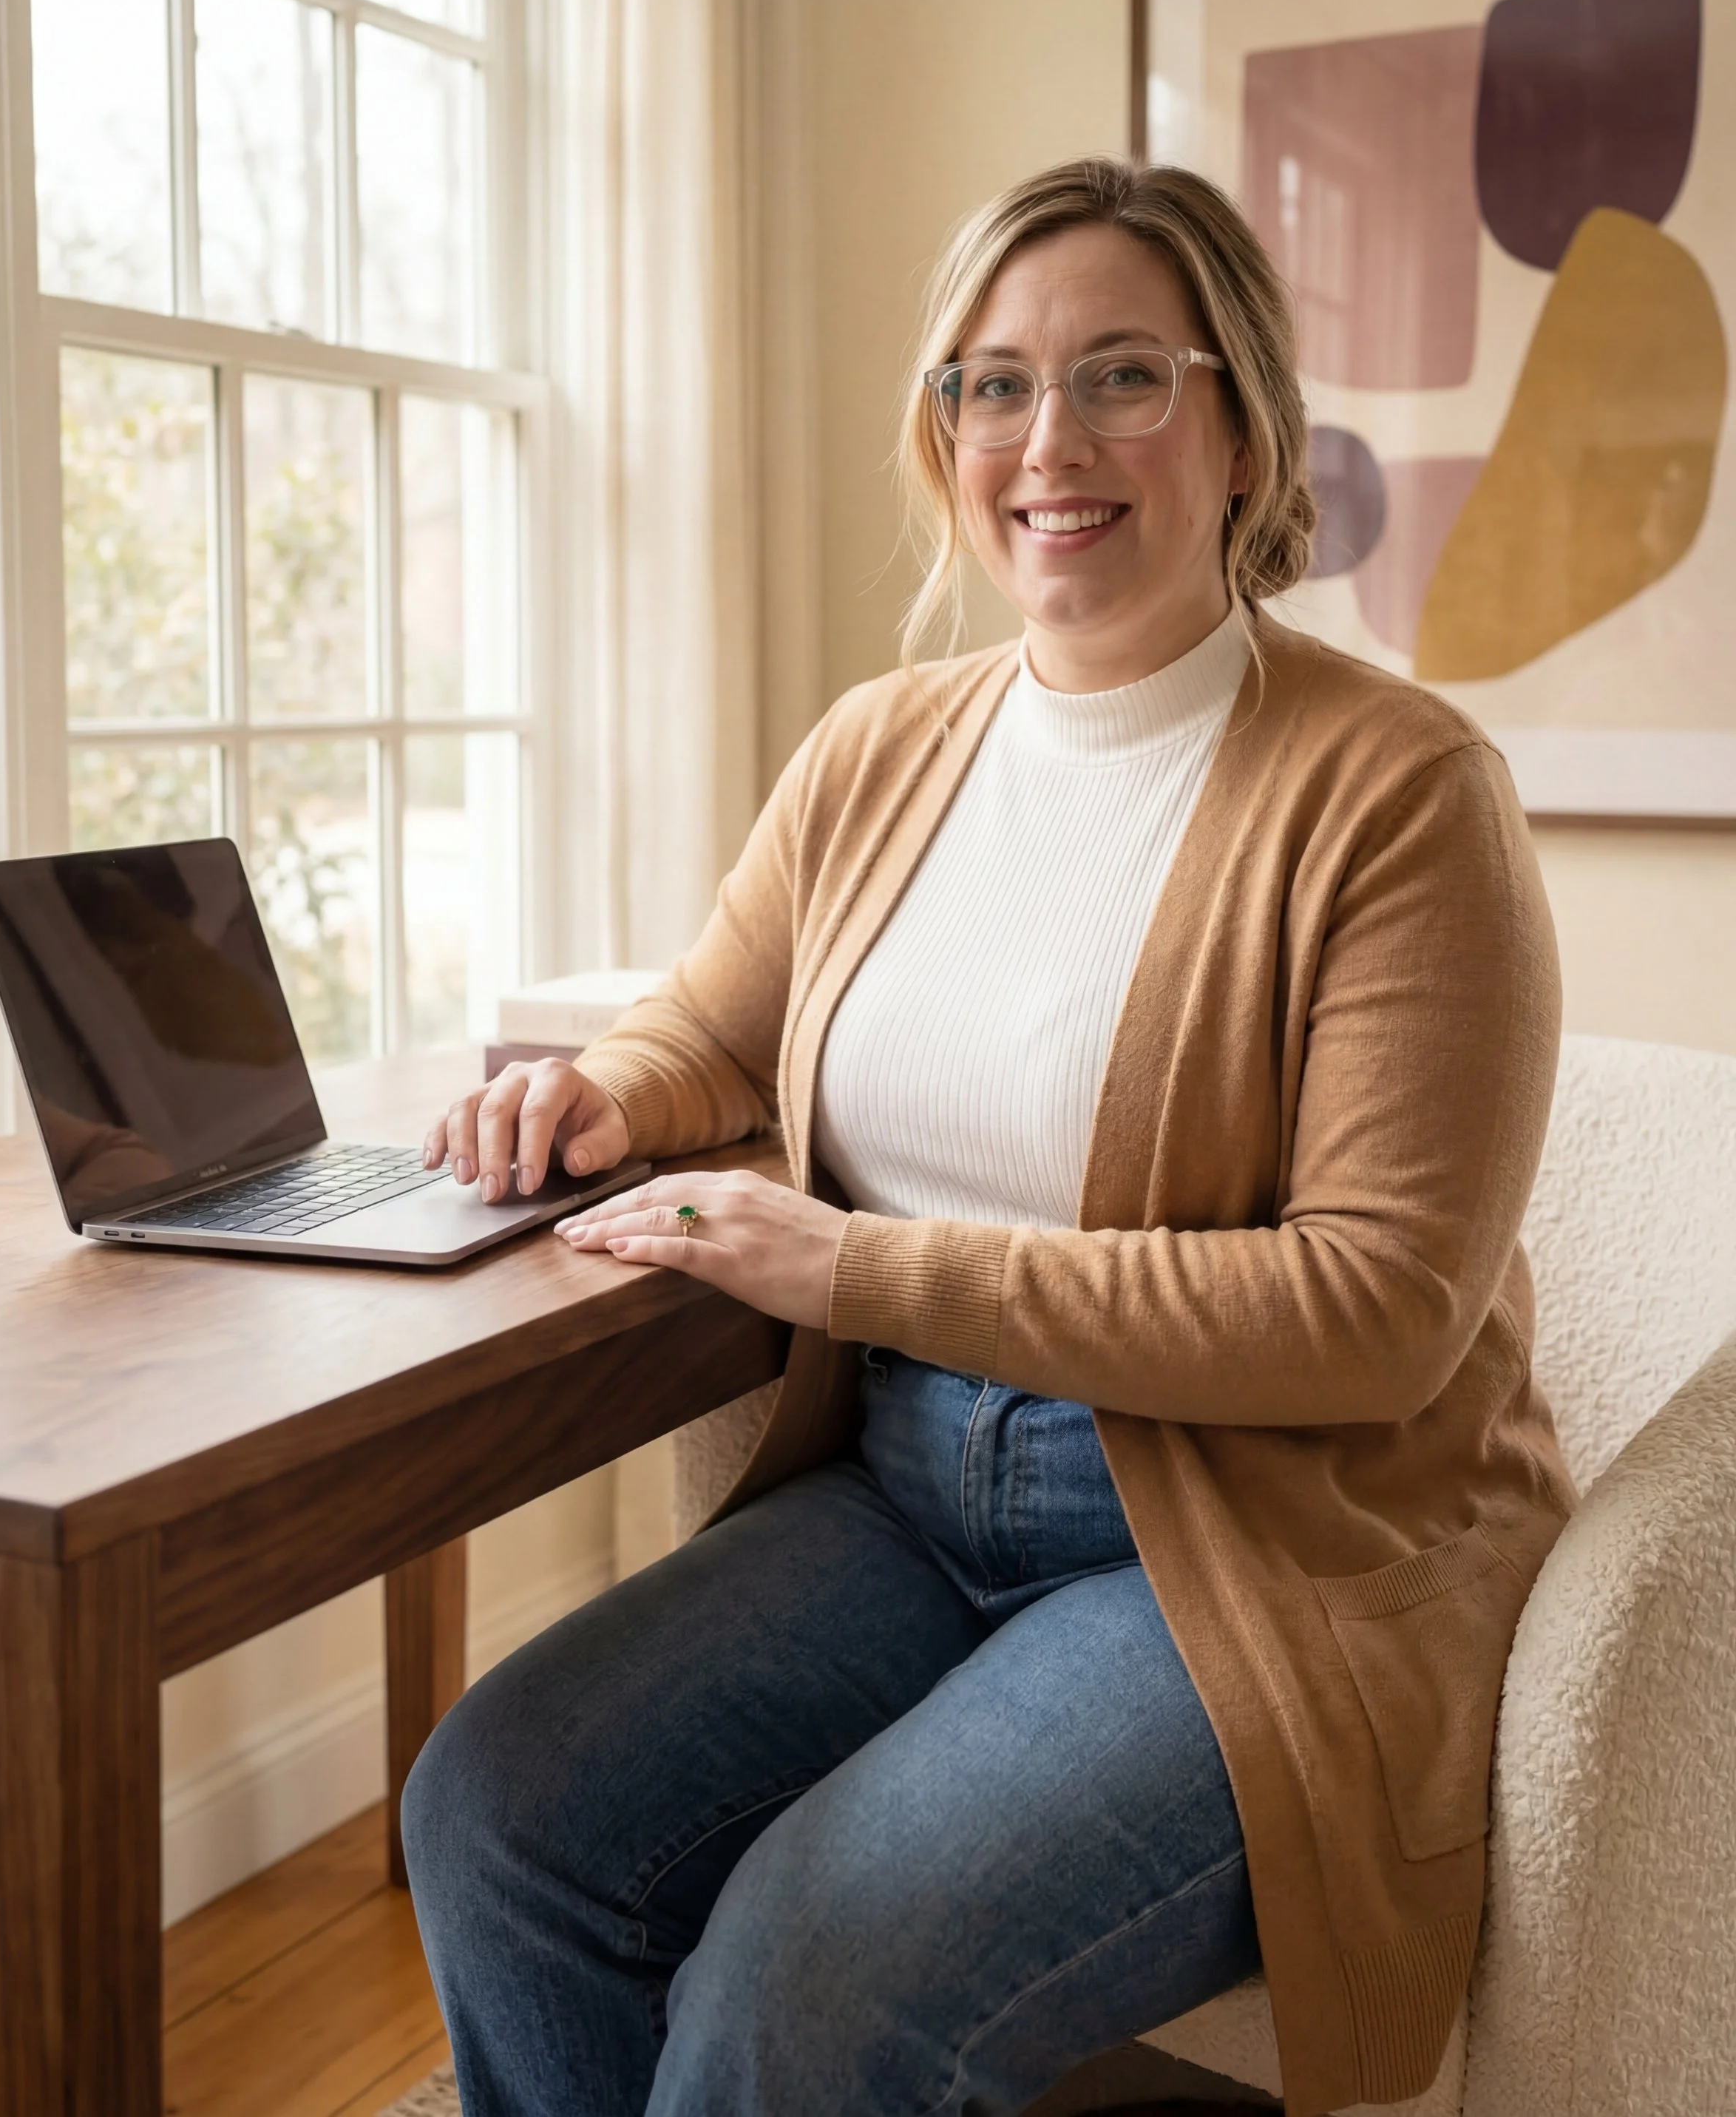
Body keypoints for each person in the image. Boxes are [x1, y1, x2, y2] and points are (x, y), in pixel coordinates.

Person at [404, 157, 1574, 2117]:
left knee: (806, 1992)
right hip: (909, 1483)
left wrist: (858, 1270)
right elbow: (727, 1013)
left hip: (1245, 1542)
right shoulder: (880, 747)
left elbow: (1374, 1313)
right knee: (502, 1817)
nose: (1050, 440)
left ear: (1242, 425)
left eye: (1123, 374)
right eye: (990, 383)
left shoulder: (1401, 797)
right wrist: (604, 1086)